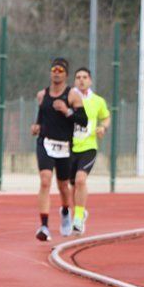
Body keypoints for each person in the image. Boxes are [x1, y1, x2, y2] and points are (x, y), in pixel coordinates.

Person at [30, 57, 87, 241]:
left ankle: (64, 211)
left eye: (60, 70)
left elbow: (83, 120)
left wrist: (67, 111)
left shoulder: (73, 95)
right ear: (50, 72)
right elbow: (42, 116)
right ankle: (44, 226)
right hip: (45, 143)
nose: (56, 72)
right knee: (45, 181)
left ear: (66, 75)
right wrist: (37, 126)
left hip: (64, 146)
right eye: (54, 69)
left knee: (63, 186)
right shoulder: (42, 95)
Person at [70, 67, 110, 234]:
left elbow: (106, 117)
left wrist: (103, 127)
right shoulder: (69, 98)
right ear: (74, 81)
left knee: (80, 180)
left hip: (89, 147)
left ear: (90, 80)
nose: (81, 80)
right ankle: (80, 211)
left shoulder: (98, 101)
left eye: (84, 77)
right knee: (72, 185)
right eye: (78, 77)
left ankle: (78, 219)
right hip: (69, 147)